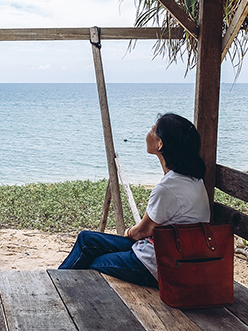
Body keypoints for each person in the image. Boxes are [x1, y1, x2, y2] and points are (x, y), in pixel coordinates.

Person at [57, 112, 210, 285]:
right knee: (87, 240)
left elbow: (141, 232)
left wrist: (129, 232)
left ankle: (55, 285)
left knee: (92, 262)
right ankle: (56, 282)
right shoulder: (193, 179)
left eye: (153, 130)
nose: (148, 134)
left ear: (160, 144)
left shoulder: (168, 188)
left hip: (156, 264)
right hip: (171, 253)